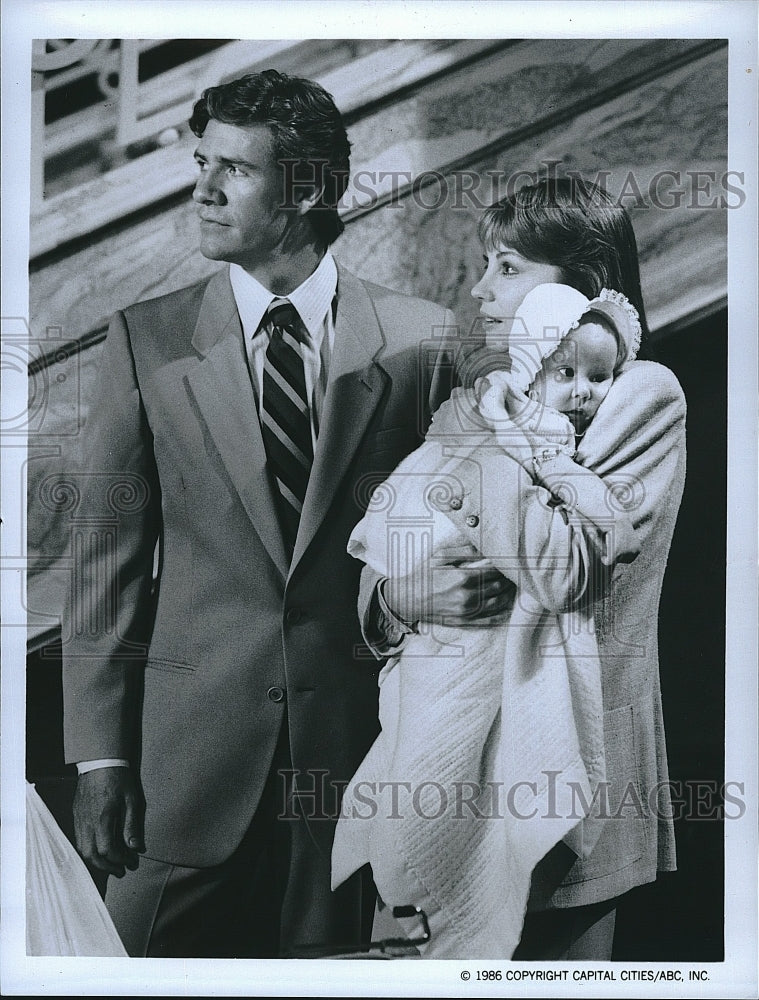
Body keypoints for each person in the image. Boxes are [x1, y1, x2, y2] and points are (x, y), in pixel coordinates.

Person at [59, 69, 509, 959]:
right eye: (201, 160)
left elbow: (460, 547)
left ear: (304, 188)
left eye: (234, 168)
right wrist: (100, 759)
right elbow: (103, 570)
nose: (203, 188)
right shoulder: (145, 340)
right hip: (180, 778)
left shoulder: (422, 340)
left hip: (363, 765)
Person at [344, 179, 687, 960]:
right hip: (441, 760)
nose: (479, 289)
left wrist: (491, 436)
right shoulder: (502, 391)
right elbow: (401, 537)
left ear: (583, 290)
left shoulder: (635, 393)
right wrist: (399, 596)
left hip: (562, 774)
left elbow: (557, 568)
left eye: (506, 267)